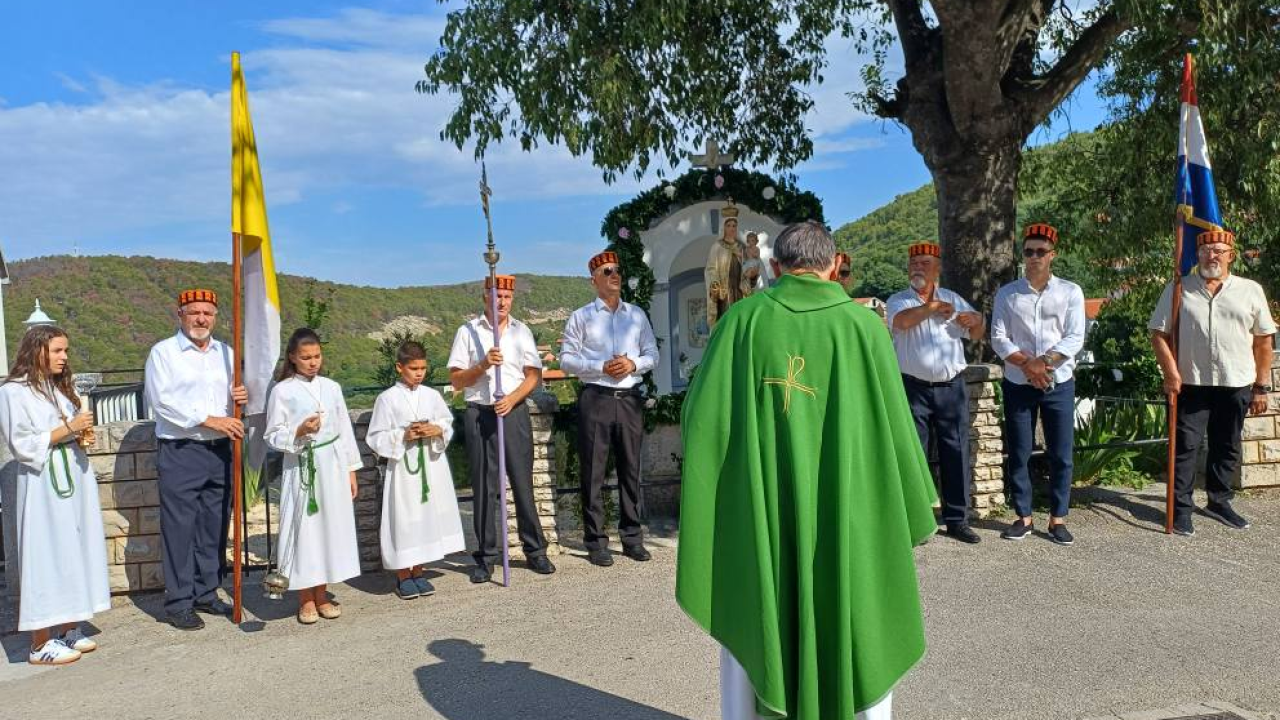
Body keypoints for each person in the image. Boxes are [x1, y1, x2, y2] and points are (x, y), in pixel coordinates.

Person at [677, 221, 938, 720]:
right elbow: (896, 430)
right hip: (850, 511)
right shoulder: (864, 327)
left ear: (775, 267)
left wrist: (735, 489)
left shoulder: (742, 322)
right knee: (860, 611)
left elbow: (702, 423)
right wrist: (906, 496)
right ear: (835, 265)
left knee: (758, 614)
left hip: (766, 514)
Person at [1149, 228, 1276, 535]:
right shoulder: (1180, 288)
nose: (1212, 256)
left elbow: (1263, 341)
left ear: (1231, 256)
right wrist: (1170, 373)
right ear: (1197, 255)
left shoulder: (1250, 290)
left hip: (1236, 382)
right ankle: (1180, 510)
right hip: (1191, 383)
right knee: (1185, 448)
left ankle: (1219, 502)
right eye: (1206, 251)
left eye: (1219, 251)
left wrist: (1261, 386)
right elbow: (1158, 334)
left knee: (1227, 446)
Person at [0, 326, 110, 665]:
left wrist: (78, 434)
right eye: (58, 351)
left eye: (66, 351)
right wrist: (69, 429)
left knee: (73, 550)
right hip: (44, 483)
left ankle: (66, 629)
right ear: (37, 351)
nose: (65, 357)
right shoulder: (13, 392)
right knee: (45, 555)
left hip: (73, 478)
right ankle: (39, 643)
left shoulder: (55, 387)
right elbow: (21, 443)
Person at [144, 289, 247, 630]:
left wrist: (241, 398)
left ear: (216, 317)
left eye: (208, 313)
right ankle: (178, 601)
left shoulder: (226, 354)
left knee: (213, 526)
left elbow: (234, 398)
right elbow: (163, 403)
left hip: (220, 450)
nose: (201, 319)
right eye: (194, 313)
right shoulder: (164, 353)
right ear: (180, 315)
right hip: (182, 450)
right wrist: (210, 419)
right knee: (180, 528)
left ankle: (207, 591)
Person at [448, 275, 555, 583]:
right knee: (484, 487)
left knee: (523, 483)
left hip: (513, 410)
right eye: (496, 296)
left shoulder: (522, 332)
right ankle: (485, 557)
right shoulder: (467, 332)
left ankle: (536, 551)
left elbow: (533, 375)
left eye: (507, 297)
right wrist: (482, 365)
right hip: (480, 413)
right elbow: (456, 380)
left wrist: (511, 399)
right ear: (485, 297)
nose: (502, 302)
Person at [559, 251, 660, 567]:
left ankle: (632, 538)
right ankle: (596, 541)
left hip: (629, 398)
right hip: (597, 398)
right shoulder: (581, 317)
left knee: (631, 470)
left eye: (617, 270)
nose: (614, 275)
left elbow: (652, 354)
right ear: (594, 281)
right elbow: (566, 360)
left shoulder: (636, 315)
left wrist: (633, 363)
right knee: (594, 472)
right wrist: (600, 366)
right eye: (607, 272)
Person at [990, 223, 1086, 546]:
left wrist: (1043, 363)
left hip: (1058, 381)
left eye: (1040, 252)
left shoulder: (1071, 292)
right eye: (1029, 251)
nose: (1033, 257)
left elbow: (1075, 337)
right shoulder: (1007, 293)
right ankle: (1024, 516)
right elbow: (998, 337)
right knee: (1019, 452)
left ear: (1052, 255)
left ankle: (1058, 518)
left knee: (1061, 452)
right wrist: (1027, 366)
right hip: (1018, 382)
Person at [887, 242, 986, 544]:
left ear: (937, 268)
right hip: (913, 386)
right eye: (913, 263)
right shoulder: (899, 301)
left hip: (950, 387)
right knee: (913, 454)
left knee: (955, 452)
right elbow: (901, 323)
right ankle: (915, 521)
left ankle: (957, 520)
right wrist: (931, 308)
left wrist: (977, 321)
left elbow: (976, 333)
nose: (917, 267)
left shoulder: (954, 299)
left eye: (924, 263)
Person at [264, 328, 362, 624]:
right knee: (305, 530)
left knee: (329, 528)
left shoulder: (331, 387)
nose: (312, 362)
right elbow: (271, 434)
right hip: (302, 463)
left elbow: (344, 428)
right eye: (306, 357)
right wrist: (299, 431)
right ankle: (305, 598)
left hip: (331, 464)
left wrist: (351, 470)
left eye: (317, 356)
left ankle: (323, 594)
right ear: (293, 358)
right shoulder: (282, 391)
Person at [367, 341, 466, 598]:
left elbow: (446, 422)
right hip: (403, 468)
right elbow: (376, 436)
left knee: (426, 517)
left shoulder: (432, 396)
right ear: (399, 367)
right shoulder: (387, 399)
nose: (419, 373)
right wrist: (403, 435)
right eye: (413, 368)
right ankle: (402, 576)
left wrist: (438, 430)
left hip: (431, 466)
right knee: (405, 520)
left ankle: (419, 571)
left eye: (422, 368)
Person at [705, 203, 747, 329]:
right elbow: (711, 268)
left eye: (734, 225)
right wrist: (714, 283)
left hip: (740, 290)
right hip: (724, 291)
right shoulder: (717, 247)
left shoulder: (741, 247)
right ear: (723, 227)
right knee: (726, 321)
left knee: (741, 320)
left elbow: (748, 267)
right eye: (728, 225)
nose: (732, 228)